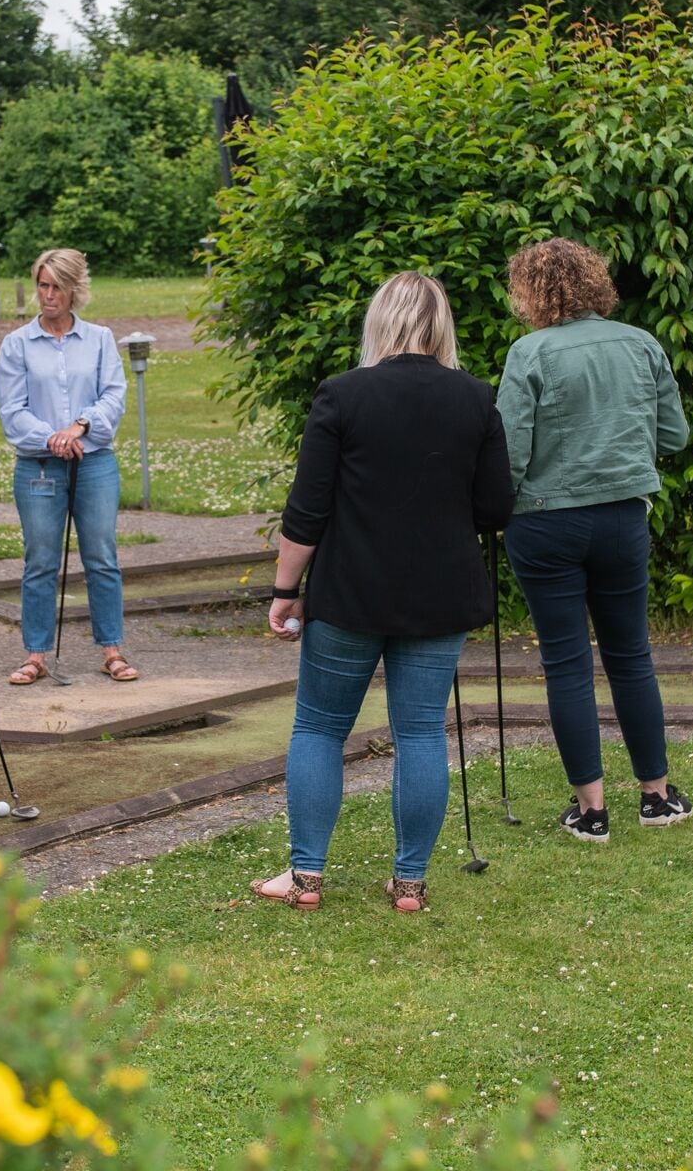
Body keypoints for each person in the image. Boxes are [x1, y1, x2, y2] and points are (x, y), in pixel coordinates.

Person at [254, 272, 513, 914]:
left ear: (378, 322)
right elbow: (495, 509)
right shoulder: (476, 399)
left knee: (318, 726)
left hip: (349, 593)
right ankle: (409, 883)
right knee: (422, 732)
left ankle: (307, 878)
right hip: (440, 595)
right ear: (441, 326)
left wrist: (285, 589)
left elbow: (306, 510)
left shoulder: (342, 395)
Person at [495, 238, 693, 844]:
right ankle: (656, 797)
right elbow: (674, 434)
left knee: (567, 662)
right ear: (593, 282)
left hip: (545, 522)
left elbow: (508, 455)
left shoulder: (529, 353)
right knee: (631, 655)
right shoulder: (641, 344)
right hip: (621, 517)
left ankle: (592, 810)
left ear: (531, 292)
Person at [0, 248, 138, 685]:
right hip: (38, 466)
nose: (48, 295)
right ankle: (35, 654)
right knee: (40, 559)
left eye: (57, 286)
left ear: (75, 289)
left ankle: (111, 649)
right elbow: (12, 411)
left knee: (101, 556)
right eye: (43, 285)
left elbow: (113, 396)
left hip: (93, 463)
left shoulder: (99, 339)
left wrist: (79, 427)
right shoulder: (17, 344)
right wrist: (53, 438)